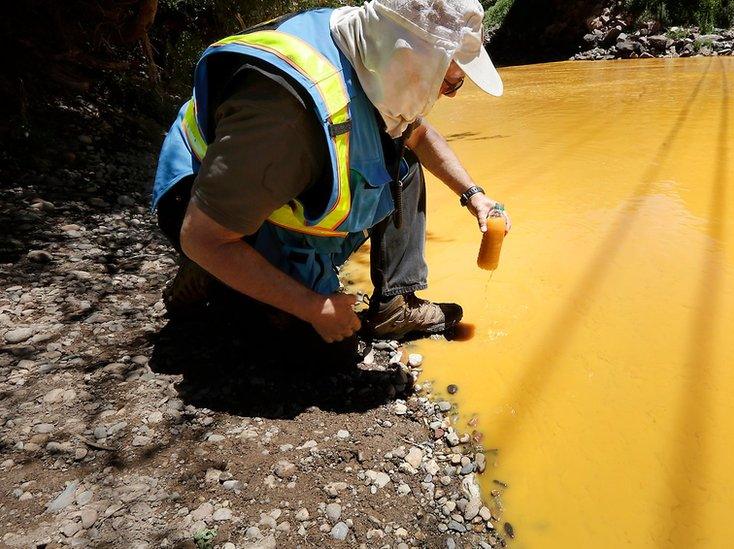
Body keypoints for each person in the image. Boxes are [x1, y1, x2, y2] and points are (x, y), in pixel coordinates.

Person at [151, 0, 512, 343]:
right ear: (412, 61)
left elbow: (415, 134)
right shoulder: (284, 119)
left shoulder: (373, 48)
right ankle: (215, 276)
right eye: (450, 82)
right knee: (322, 349)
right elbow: (201, 235)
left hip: (262, 184)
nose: (449, 95)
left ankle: (393, 306)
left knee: (401, 160)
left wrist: (474, 195)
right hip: (205, 208)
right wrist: (314, 307)